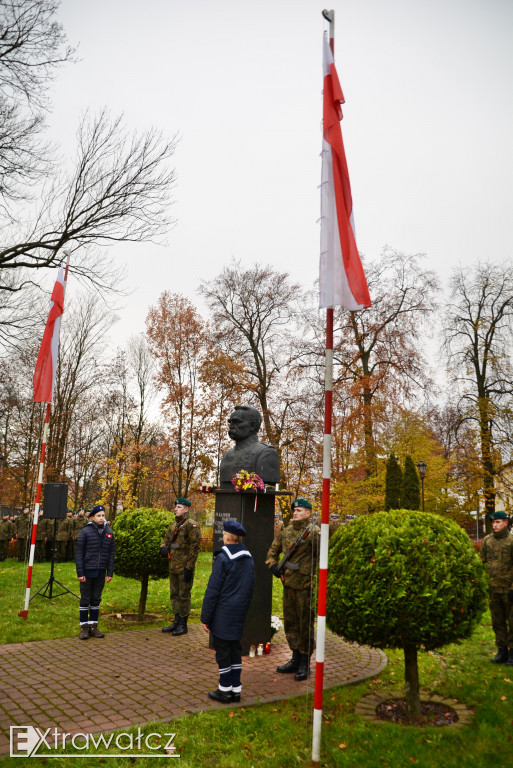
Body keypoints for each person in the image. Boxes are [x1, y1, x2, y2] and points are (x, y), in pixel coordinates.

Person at [201, 519, 254, 703]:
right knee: (234, 651)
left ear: (227, 536)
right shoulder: (248, 558)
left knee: (223, 652)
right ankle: (235, 689)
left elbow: (213, 589)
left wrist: (205, 616)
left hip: (223, 612)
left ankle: (224, 691)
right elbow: (249, 587)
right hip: (239, 612)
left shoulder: (223, 558)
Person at [266, 498, 320, 681]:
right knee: (291, 623)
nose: (295, 513)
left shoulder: (314, 533)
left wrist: (316, 580)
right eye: (294, 510)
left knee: (305, 624)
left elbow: (322, 558)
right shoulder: (286, 532)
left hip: (306, 586)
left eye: (299, 510)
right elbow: (272, 551)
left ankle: (305, 662)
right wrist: (273, 566)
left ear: (308, 513)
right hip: (288, 585)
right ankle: (295, 658)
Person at [160, 498, 201, 636]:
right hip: (173, 566)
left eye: (179, 507)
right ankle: (176, 620)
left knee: (183, 595)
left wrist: (189, 567)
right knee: (174, 594)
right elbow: (165, 540)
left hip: (184, 568)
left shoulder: (191, 525)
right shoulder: (173, 525)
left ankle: (183, 623)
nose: (176, 509)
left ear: (186, 509)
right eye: (176, 506)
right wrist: (163, 548)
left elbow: (195, 548)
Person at [75, 505, 115, 640]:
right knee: (85, 599)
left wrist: (109, 572)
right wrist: (80, 573)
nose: (101, 518)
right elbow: (79, 553)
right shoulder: (85, 531)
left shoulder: (109, 532)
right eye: (98, 516)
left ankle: (93, 626)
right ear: (92, 517)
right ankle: (84, 627)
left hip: (100, 572)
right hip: (87, 571)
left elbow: (111, 554)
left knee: (96, 599)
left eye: (103, 515)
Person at [219, 405, 280, 489]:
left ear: (252, 426)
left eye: (236, 422)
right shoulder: (227, 456)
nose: (231, 426)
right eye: (230, 422)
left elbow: (267, 488)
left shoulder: (266, 453)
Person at [480, 510, 513, 665]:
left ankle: (512, 652)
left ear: (506, 523)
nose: (495, 525)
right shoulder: (487, 541)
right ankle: (502, 651)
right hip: (494, 590)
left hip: (509, 591)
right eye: (493, 522)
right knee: (497, 622)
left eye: (498, 522)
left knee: (512, 622)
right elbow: (481, 561)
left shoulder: (511, 542)